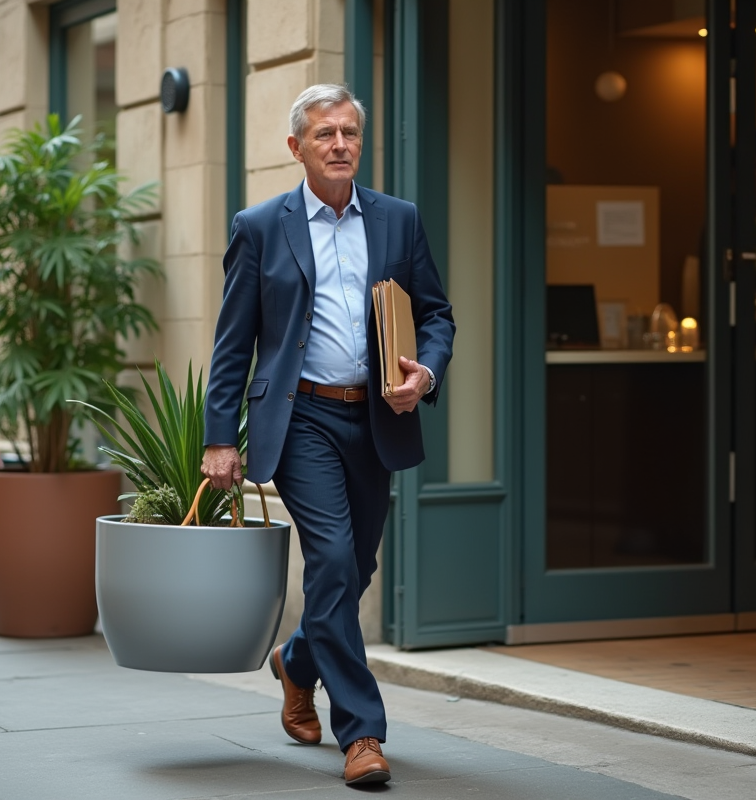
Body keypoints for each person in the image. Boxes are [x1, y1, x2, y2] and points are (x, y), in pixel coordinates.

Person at [201, 84, 454, 785]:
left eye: (349, 132)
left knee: (356, 567)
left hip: (375, 417)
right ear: (297, 147)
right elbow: (233, 342)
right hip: (301, 417)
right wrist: (220, 437)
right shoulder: (260, 226)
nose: (340, 144)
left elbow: (436, 314)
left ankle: (297, 660)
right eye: (325, 134)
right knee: (334, 560)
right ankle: (363, 734)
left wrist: (426, 373)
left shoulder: (398, 219)